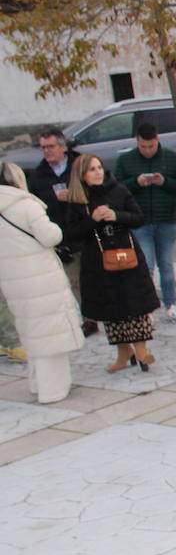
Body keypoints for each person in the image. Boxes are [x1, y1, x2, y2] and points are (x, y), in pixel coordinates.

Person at [67, 154, 160, 372]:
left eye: (99, 167)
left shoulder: (118, 190)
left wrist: (116, 215)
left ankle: (142, 350)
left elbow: (138, 218)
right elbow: (73, 232)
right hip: (98, 261)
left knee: (135, 302)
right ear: (82, 175)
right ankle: (123, 351)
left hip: (127, 255)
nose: (98, 172)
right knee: (111, 305)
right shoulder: (78, 199)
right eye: (92, 169)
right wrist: (93, 220)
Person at [0, 163, 84, 402]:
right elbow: (51, 236)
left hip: (12, 280)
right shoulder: (26, 205)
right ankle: (53, 390)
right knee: (50, 334)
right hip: (39, 278)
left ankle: (37, 384)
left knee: (31, 333)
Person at [114, 123, 176, 322]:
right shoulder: (126, 160)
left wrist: (164, 182)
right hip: (140, 221)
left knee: (166, 265)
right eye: (143, 146)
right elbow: (116, 187)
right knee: (146, 265)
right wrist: (135, 183)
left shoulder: (171, 158)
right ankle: (147, 307)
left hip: (166, 219)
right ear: (137, 143)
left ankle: (171, 305)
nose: (148, 150)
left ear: (157, 141)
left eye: (151, 146)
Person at [26, 127, 95, 336]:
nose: (47, 151)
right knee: (75, 282)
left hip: (89, 231)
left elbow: (99, 191)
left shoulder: (81, 165)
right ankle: (89, 319)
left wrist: (76, 195)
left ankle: (108, 312)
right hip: (64, 237)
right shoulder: (39, 175)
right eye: (43, 147)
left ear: (62, 147)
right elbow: (35, 204)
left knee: (97, 276)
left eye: (51, 146)